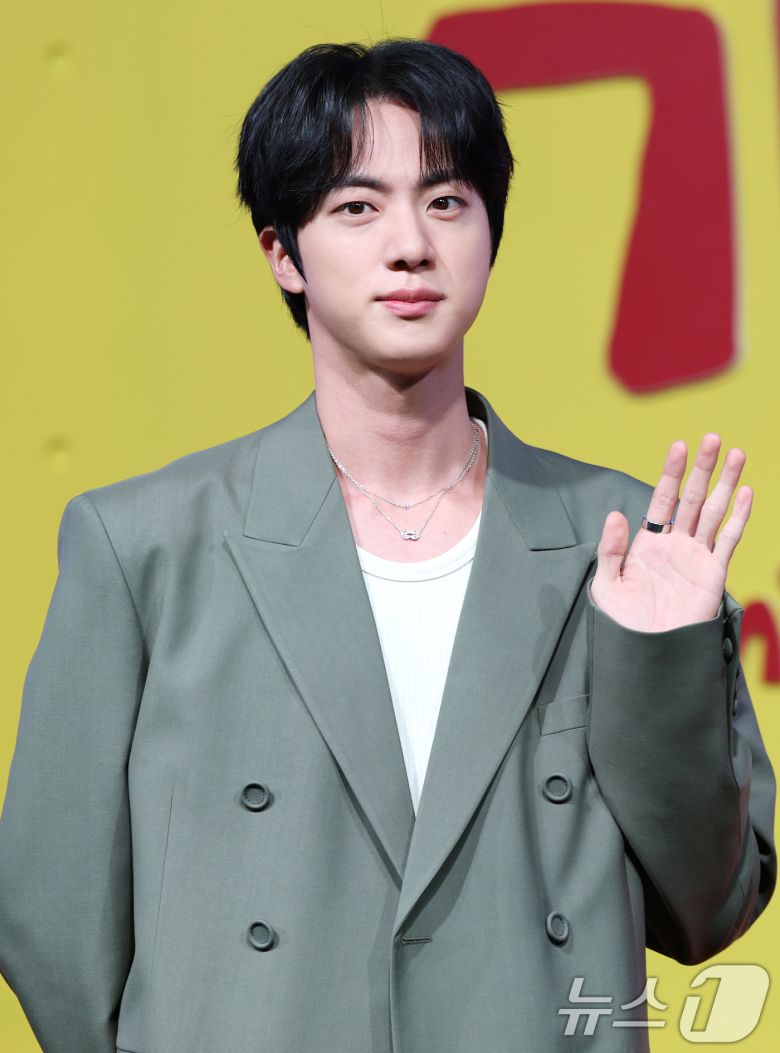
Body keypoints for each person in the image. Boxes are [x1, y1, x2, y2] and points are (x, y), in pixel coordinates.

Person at [0, 37, 775, 1053]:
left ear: (492, 232)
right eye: (357, 207)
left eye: (447, 200)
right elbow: (53, 914)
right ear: (283, 252)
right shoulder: (148, 545)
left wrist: (657, 660)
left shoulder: (621, 541)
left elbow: (712, 909)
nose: (411, 244)